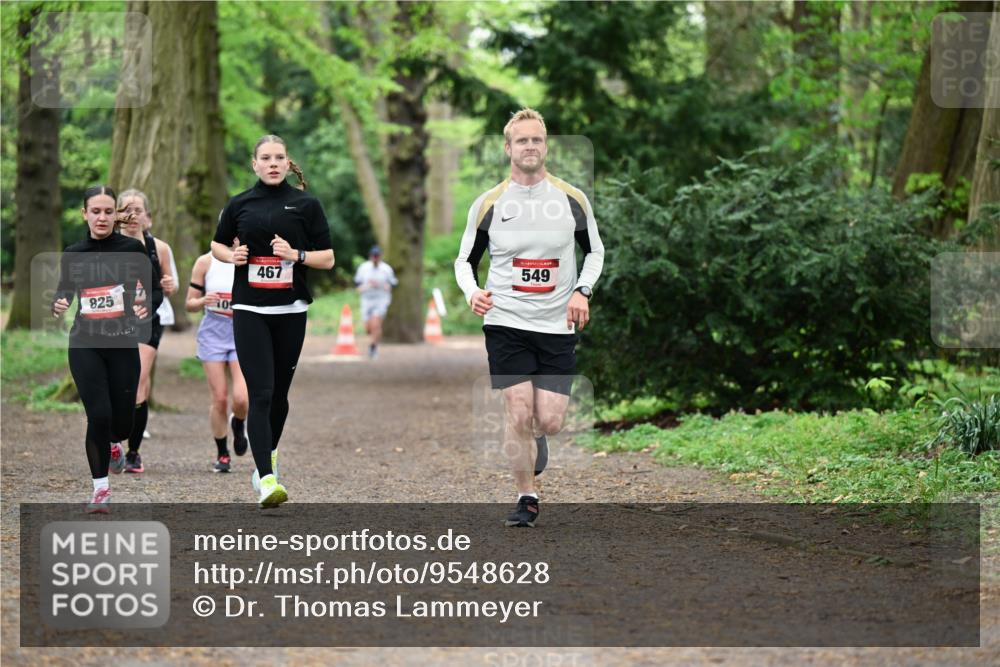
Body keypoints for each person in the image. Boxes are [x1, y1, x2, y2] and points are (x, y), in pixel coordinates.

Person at [454, 108, 604, 527]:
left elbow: (595, 251)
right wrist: (473, 293)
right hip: (506, 321)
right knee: (518, 413)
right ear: (508, 148)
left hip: (556, 323)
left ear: (546, 145)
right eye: (522, 140)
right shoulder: (489, 204)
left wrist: (582, 290)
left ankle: (538, 438)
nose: (530, 146)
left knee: (549, 422)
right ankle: (527, 496)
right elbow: (464, 261)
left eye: (536, 139)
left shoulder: (572, 199)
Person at [211, 134, 334, 508]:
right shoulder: (240, 204)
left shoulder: (305, 204)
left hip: (291, 310)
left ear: (287, 162)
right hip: (249, 310)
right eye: (266, 157)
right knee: (260, 393)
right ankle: (266, 480)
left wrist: (295, 254)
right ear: (255, 164)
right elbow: (217, 244)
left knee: (279, 396)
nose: (273, 163)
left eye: (279, 157)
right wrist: (231, 256)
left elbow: (327, 258)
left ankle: (270, 454)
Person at [52, 185, 158, 512]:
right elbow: (65, 291)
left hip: (123, 341)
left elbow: (154, 291)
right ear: (85, 214)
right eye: (95, 211)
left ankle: (116, 444)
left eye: (108, 212)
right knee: (97, 414)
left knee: (122, 423)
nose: (101, 217)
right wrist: (59, 302)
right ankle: (100, 489)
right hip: (85, 341)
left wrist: (146, 307)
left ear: (116, 215)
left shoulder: (132, 250)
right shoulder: (73, 253)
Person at [116, 189, 177, 473]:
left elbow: (172, 283)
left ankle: (134, 452)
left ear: (148, 218)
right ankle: (114, 438)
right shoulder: (106, 246)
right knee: (116, 383)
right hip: (113, 320)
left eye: (137, 210)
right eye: (125, 209)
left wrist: (169, 286)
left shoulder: (159, 248)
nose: (131, 215)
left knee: (138, 380)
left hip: (150, 317)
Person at [185, 246, 250, 472]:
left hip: (241, 332)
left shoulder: (249, 259)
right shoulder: (205, 262)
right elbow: (189, 304)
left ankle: (239, 423)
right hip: (213, 333)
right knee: (220, 398)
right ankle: (222, 454)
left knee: (241, 398)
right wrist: (203, 300)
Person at [353, 244, 398, 358]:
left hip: (381, 299)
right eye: (374, 256)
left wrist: (387, 286)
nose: (375, 258)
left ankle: (373, 346)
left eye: (377, 256)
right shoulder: (363, 268)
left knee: (376, 324)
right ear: (370, 256)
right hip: (366, 299)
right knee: (368, 328)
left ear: (380, 256)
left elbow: (393, 283)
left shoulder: (386, 269)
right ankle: (373, 341)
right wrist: (363, 287)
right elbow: (357, 284)